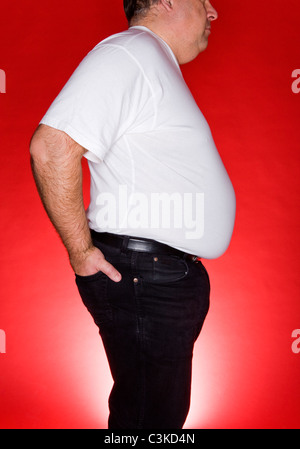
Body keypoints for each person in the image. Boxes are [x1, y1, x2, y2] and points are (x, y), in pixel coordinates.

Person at [30, 0, 236, 429]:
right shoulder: (130, 53)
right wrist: (81, 251)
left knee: (154, 420)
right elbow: (51, 147)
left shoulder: (150, 59)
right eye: (202, 1)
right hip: (145, 277)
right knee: (147, 425)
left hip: (159, 277)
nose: (213, 12)